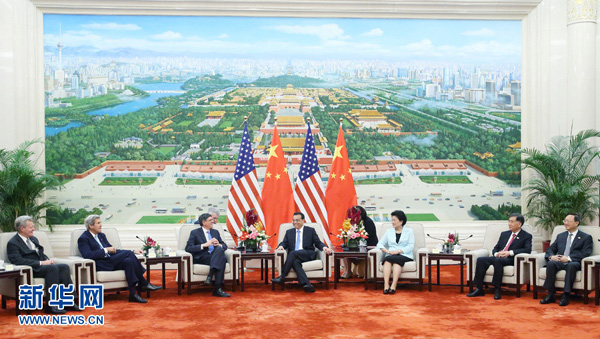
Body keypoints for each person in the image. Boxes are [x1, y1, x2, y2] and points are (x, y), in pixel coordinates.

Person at [77, 215, 160, 303]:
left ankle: (133, 295)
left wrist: (133, 251)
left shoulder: (101, 235)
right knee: (128, 254)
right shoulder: (83, 238)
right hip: (101, 264)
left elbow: (113, 250)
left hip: (110, 260)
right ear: (90, 225)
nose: (101, 225)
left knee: (128, 261)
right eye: (98, 223)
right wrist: (106, 250)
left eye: (100, 223)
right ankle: (143, 282)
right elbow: (88, 255)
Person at [7, 216, 76, 314]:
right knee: (52, 269)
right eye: (31, 227)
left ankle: (68, 301)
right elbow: (17, 260)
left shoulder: (33, 239)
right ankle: (51, 305)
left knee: (64, 267)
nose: (33, 229)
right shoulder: (13, 243)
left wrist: (46, 259)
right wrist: (41, 263)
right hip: (31, 269)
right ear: (22, 228)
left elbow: (40, 253)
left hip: (42, 267)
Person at [466, 214, 532, 300]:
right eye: (509, 221)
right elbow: (496, 248)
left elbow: (527, 250)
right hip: (499, 256)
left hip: (511, 259)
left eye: (512, 222)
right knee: (481, 260)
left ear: (519, 224)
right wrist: (496, 253)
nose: (509, 224)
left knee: (498, 261)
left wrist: (510, 253)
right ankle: (479, 288)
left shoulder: (526, 236)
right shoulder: (504, 234)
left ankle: (497, 289)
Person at [271, 212, 333, 293]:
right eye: (293, 220)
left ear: (303, 220)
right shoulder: (289, 232)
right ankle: (307, 284)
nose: (295, 222)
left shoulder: (310, 230)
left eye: (297, 220)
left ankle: (282, 277)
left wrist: (324, 247)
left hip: (307, 254)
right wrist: (281, 246)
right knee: (295, 262)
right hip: (295, 256)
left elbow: (318, 242)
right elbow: (284, 243)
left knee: (292, 253)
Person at [540, 213, 593, 306]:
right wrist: (552, 257)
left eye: (568, 221)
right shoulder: (561, 236)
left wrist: (568, 258)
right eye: (565, 221)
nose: (565, 223)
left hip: (574, 262)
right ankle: (550, 294)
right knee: (551, 263)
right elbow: (550, 249)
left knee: (571, 265)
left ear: (577, 223)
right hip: (560, 261)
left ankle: (566, 295)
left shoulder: (586, 237)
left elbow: (585, 253)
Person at [186, 213, 230, 297]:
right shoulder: (195, 233)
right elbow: (188, 248)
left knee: (220, 250)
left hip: (214, 256)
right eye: (210, 220)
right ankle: (217, 289)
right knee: (222, 260)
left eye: (213, 220)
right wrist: (205, 245)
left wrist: (219, 244)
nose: (213, 221)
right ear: (204, 222)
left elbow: (224, 245)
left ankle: (210, 277)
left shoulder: (215, 232)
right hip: (203, 257)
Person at [376, 210, 414, 294]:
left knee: (396, 261)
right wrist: (387, 251)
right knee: (387, 260)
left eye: (394, 220)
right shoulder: (389, 231)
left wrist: (398, 251)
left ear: (401, 221)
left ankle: (393, 285)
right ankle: (386, 285)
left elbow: (411, 246)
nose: (392, 222)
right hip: (391, 254)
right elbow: (380, 244)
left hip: (405, 254)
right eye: (392, 220)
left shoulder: (409, 231)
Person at [342, 205, 378, 278]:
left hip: (369, 245)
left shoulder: (368, 222)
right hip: (357, 245)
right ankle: (348, 271)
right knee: (345, 250)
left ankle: (366, 273)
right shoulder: (353, 222)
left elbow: (367, 237)